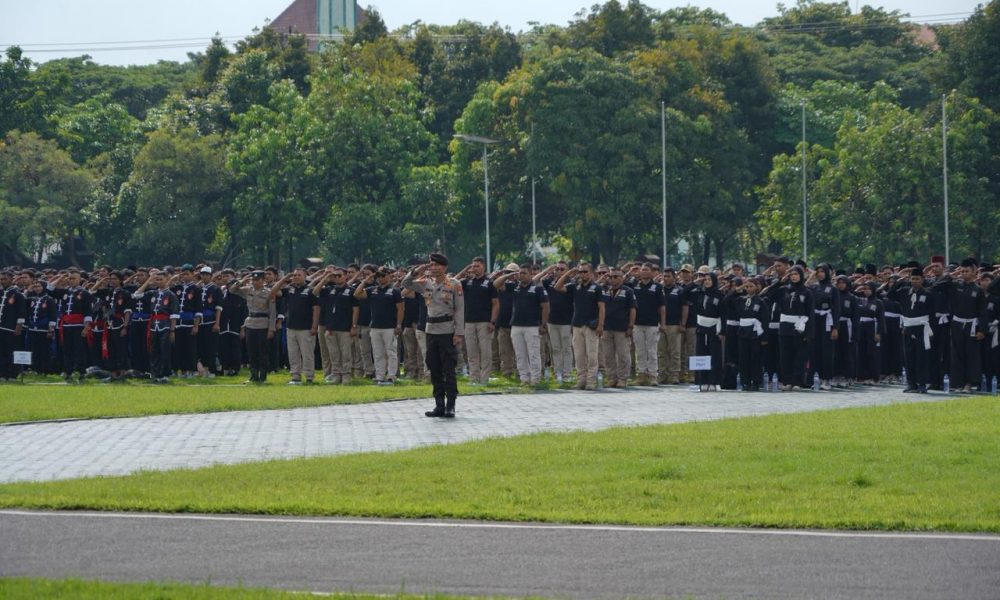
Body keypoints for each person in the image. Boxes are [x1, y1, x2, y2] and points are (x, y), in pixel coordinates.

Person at [402, 253, 464, 418]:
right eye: (431, 265)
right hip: (430, 330)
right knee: (434, 368)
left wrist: (458, 333)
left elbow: (459, 309)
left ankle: (451, 405)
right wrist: (416, 271)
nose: (433, 267)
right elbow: (405, 283)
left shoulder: (454, 284)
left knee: (449, 369)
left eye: (437, 265)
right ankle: (439, 405)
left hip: (447, 330)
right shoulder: (425, 283)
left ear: (444, 267)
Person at [932, 258, 987, 392]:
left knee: (971, 354)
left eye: (967, 271)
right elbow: (935, 287)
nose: (964, 273)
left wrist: (982, 330)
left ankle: (969, 383)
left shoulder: (978, 290)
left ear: (974, 272)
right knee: (956, 354)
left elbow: (983, 312)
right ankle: (957, 383)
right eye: (962, 271)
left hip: (972, 325)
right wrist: (951, 276)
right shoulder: (955, 285)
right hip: (956, 324)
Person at [494, 263, 549, 385]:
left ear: (530, 275)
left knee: (533, 354)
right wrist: (509, 275)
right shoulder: (514, 286)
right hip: (516, 325)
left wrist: (543, 324)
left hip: (532, 326)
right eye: (520, 273)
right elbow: (496, 284)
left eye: (524, 273)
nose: (521, 276)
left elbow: (545, 307)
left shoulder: (538, 288)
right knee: (520, 354)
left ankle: (536, 379)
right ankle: (525, 379)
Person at [554, 262, 605, 390]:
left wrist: (600, 325)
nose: (582, 274)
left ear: (591, 273)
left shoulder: (597, 288)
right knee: (579, 355)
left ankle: (591, 381)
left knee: (592, 355)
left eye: (585, 271)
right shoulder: (575, 286)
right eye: (581, 272)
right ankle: (581, 380)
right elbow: (558, 287)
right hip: (577, 325)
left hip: (591, 325)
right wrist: (568, 273)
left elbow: (602, 308)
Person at [763, 264, 814, 390]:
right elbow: (767, 295)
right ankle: (787, 381)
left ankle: (797, 382)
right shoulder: (784, 290)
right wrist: (779, 283)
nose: (793, 277)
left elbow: (810, 313)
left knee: (799, 356)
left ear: (801, 276)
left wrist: (808, 333)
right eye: (791, 274)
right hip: (785, 327)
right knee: (785, 356)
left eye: (796, 274)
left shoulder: (807, 292)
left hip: (799, 327)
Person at [355, 267, 403, 385]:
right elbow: (357, 294)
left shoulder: (394, 291)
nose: (381, 278)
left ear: (389, 276)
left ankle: (391, 375)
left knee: (391, 352)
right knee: (378, 352)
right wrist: (366, 280)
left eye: (383, 275)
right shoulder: (372, 290)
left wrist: (398, 324)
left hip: (390, 326)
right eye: (379, 276)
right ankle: (380, 375)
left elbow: (400, 309)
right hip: (375, 326)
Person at [272, 268, 320, 385]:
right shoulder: (290, 289)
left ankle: (309, 376)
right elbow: (274, 291)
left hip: (306, 327)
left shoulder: (310, 291)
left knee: (307, 354)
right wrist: (285, 278)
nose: (296, 277)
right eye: (295, 275)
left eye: (299, 275)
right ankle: (295, 376)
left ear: (305, 277)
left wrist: (314, 326)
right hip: (291, 327)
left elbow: (316, 309)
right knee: (293, 354)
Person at [456, 257, 499, 384]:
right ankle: (474, 378)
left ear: (483, 267)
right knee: (471, 351)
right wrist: (465, 270)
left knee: (485, 351)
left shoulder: (490, 283)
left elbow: (496, 303)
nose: (474, 268)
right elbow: (452, 281)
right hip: (469, 321)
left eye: (477, 266)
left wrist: (492, 321)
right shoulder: (467, 282)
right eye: (473, 266)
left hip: (484, 322)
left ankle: (484, 379)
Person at [313, 267, 358, 384]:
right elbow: (314, 292)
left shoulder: (351, 290)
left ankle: (346, 374)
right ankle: (336, 374)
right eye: (335, 276)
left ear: (346, 276)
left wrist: (353, 326)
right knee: (333, 353)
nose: (337, 278)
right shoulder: (329, 289)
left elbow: (355, 309)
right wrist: (325, 278)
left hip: (345, 327)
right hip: (330, 327)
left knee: (345, 352)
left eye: (340, 275)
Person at [232, 270, 276, 383]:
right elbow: (232, 290)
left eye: (257, 280)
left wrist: (271, 329)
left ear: (263, 280)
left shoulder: (268, 292)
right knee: (251, 351)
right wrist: (241, 281)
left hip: (263, 324)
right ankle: (253, 375)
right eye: (253, 280)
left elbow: (272, 312)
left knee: (263, 351)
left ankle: (263, 376)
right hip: (251, 322)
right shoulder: (248, 290)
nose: (255, 282)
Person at [685, 269, 724, 391]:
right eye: (705, 280)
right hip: (701, 327)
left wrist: (722, 331)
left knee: (714, 355)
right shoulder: (699, 293)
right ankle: (702, 381)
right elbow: (683, 293)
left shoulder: (719, 295)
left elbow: (723, 314)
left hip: (714, 328)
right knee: (701, 353)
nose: (707, 282)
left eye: (709, 279)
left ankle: (714, 381)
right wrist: (695, 283)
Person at [536, 261, 574, 383]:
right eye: (557, 269)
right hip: (552, 320)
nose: (558, 271)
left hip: (566, 320)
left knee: (566, 348)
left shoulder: (571, 283)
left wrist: (567, 275)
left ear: (567, 271)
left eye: (562, 269)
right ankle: (558, 372)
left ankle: (567, 373)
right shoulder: (549, 282)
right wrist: (548, 269)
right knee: (555, 348)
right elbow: (535, 279)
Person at [600, 266, 636, 388]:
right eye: (610, 276)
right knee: (608, 355)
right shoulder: (604, 290)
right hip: (607, 327)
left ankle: (622, 378)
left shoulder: (628, 291)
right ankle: (611, 378)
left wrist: (630, 326)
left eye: (616, 277)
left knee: (623, 354)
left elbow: (632, 309)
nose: (613, 279)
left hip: (622, 328)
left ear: (622, 278)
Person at [631, 263, 664, 386]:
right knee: (640, 351)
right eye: (642, 270)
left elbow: (662, 306)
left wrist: (663, 322)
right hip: (637, 323)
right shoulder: (635, 286)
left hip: (652, 323)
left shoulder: (657, 287)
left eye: (646, 270)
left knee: (652, 351)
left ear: (651, 272)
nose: (644, 272)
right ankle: (642, 375)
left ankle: (653, 376)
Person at [808, 264, 840, 390]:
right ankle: (817, 378)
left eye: (822, 272)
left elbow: (836, 309)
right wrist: (811, 277)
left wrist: (835, 327)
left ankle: (827, 379)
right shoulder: (814, 287)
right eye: (818, 272)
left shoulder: (833, 289)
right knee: (815, 351)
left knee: (827, 351)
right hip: (815, 320)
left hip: (828, 321)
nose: (820, 274)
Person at [735, 277, 770, 391]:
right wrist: (738, 288)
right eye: (747, 286)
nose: (749, 289)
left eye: (751, 286)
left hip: (755, 332)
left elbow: (765, 320)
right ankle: (745, 381)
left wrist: (764, 336)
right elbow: (726, 301)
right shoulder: (741, 299)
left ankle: (756, 382)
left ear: (756, 287)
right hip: (743, 331)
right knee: (743, 357)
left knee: (755, 358)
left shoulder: (761, 301)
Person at [217, 269, 247, 376]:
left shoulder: (240, 294)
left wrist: (243, 328)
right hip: (223, 325)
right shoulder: (221, 292)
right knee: (223, 347)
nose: (225, 279)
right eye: (223, 276)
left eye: (227, 276)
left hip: (235, 325)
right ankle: (225, 367)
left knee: (235, 347)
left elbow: (244, 313)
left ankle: (235, 368)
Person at [0, 270, 27, 380]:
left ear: (11, 279)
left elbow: (21, 312)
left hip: (10, 328)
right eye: (0, 279)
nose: (2, 281)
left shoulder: (17, 294)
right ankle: (2, 373)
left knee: (10, 351)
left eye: (4, 279)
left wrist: (19, 327)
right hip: (1, 327)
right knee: (1, 352)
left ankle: (12, 374)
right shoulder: (1, 293)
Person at [197, 266, 223, 377]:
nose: (204, 276)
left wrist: (217, 323)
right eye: (202, 274)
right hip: (199, 321)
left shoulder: (215, 289)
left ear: (211, 276)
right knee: (200, 346)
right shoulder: (198, 288)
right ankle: (203, 369)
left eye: (207, 274)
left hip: (210, 320)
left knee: (211, 347)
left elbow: (218, 308)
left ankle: (212, 370)